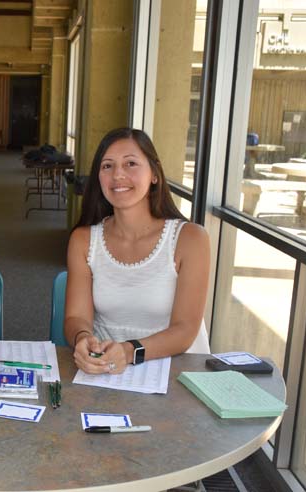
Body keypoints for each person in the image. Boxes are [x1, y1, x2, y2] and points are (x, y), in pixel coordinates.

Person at [64, 128, 210, 376]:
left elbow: (185, 330)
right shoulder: (83, 240)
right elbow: (76, 317)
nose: (118, 174)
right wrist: (83, 338)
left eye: (131, 163)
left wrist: (130, 351)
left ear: (154, 173)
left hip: (178, 373)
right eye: (107, 166)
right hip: (107, 372)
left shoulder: (190, 239)